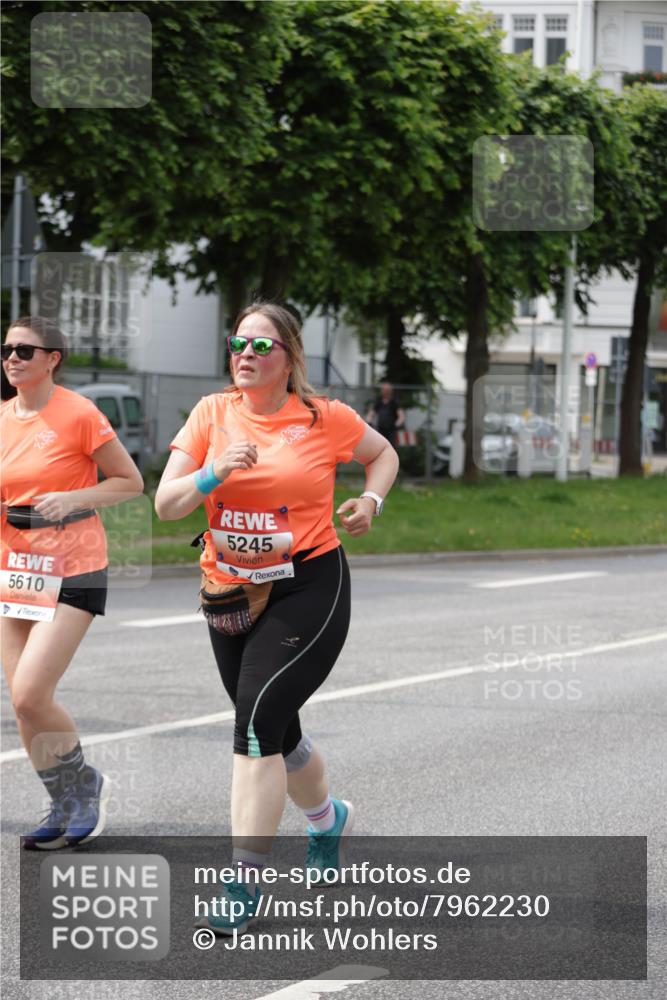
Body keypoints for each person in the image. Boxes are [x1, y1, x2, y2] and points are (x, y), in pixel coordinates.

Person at [155, 302, 399, 935]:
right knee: (275, 726)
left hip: (308, 586)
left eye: (262, 345)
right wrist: (214, 470)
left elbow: (384, 455)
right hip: (229, 592)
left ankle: (243, 883)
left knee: (256, 721)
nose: (246, 353)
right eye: (238, 342)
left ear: (290, 358)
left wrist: (371, 500)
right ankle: (328, 821)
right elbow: (167, 505)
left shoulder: (324, 418)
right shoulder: (211, 414)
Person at [1, 317, 143, 849]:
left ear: (52, 358)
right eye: (6, 349)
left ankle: (86, 785)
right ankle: (61, 801)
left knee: (34, 690)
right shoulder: (1, 418)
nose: (12, 357)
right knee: (22, 703)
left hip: (75, 567)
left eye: (25, 350)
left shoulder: (79, 413)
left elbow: (130, 482)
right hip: (16, 571)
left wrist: (73, 499)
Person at [366, 380, 406, 448]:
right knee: (380, 447)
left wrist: (396, 425)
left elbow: (401, 416)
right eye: (384, 389)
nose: (385, 391)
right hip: (381, 429)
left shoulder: (394, 402)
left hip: (391, 431)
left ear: (390, 391)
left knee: (391, 447)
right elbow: (371, 413)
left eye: (387, 390)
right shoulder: (379, 401)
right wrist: (369, 421)